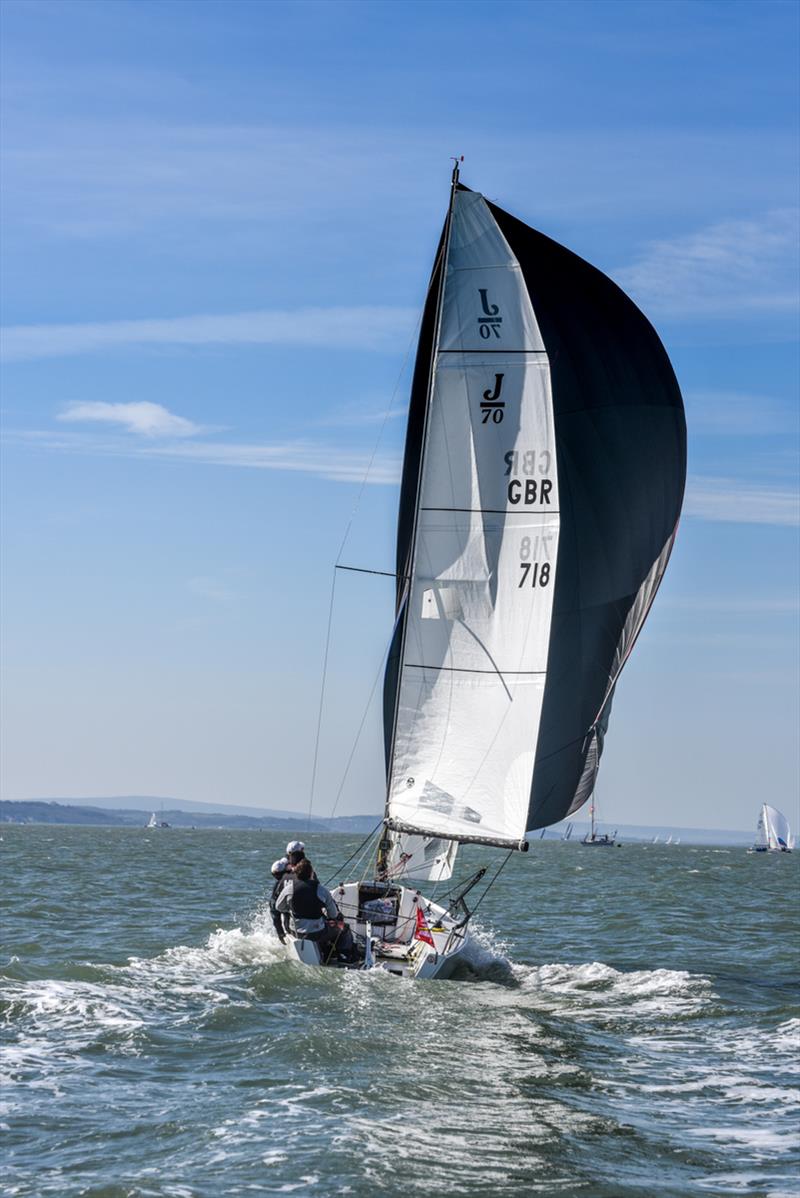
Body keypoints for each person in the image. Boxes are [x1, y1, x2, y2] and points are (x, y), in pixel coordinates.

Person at [276, 858, 340, 959]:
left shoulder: (289, 889)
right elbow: (333, 914)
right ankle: (339, 956)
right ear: (311, 873)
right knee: (343, 929)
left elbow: (279, 907)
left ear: (296, 874)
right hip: (317, 933)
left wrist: (291, 910)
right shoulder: (321, 890)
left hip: (296, 932)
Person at [268, 858, 290, 943]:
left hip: (291, 925)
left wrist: (280, 933)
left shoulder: (276, 887)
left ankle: (284, 934)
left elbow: (275, 915)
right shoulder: (292, 880)